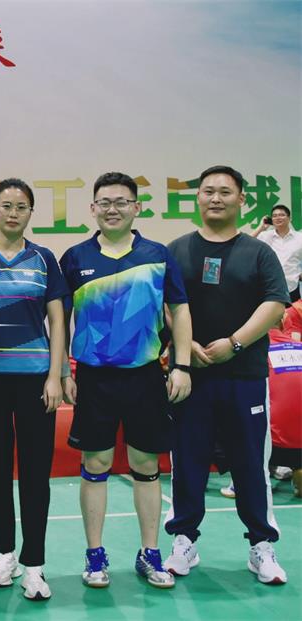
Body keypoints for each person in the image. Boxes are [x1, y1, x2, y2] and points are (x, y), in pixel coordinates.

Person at [59, 171, 192, 589]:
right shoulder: (75, 257)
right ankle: (95, 554)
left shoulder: (157, 255)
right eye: (104, 202)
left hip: (145, 376)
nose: (112, 209)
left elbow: (180, 310)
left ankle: (150, 553)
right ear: (93, 208)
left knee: (145, 464)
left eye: (121, 202)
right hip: (93, 378)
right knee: (95, 464)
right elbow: (59, 319)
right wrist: (62, 370)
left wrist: (182, 365)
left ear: (136, 208)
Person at [164, 165, 290, 585]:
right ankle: (184, 539)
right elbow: (164, 306)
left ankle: (262, 545)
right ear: (198, 198)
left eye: (224, 192)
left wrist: (234, 343)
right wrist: (185, 348)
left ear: (242, 200)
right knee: (187, 462)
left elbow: (275, 303)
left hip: (245, 377)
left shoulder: (258, 253)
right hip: (190, 378)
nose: (215, 198)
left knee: (251, 464)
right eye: (208, 191)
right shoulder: (177, 250)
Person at [0, 178, 67, 600]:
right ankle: (5, 553)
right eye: (5, 206)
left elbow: (57, 320)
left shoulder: (44, 259)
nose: (12, 213)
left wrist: (55, 375)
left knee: (36, 474)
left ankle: (35, 565)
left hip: (35, 380)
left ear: (30, 213)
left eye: (21, 207)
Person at [250, 204, 302, 302]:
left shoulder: (299, 238)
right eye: (274, 216)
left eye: (282, 215)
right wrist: (261, 227)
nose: (278, 218)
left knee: (293, 312)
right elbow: (244, 244)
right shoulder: (264, 236)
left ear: (289, 218)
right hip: (269, 288)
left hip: (292, 288)